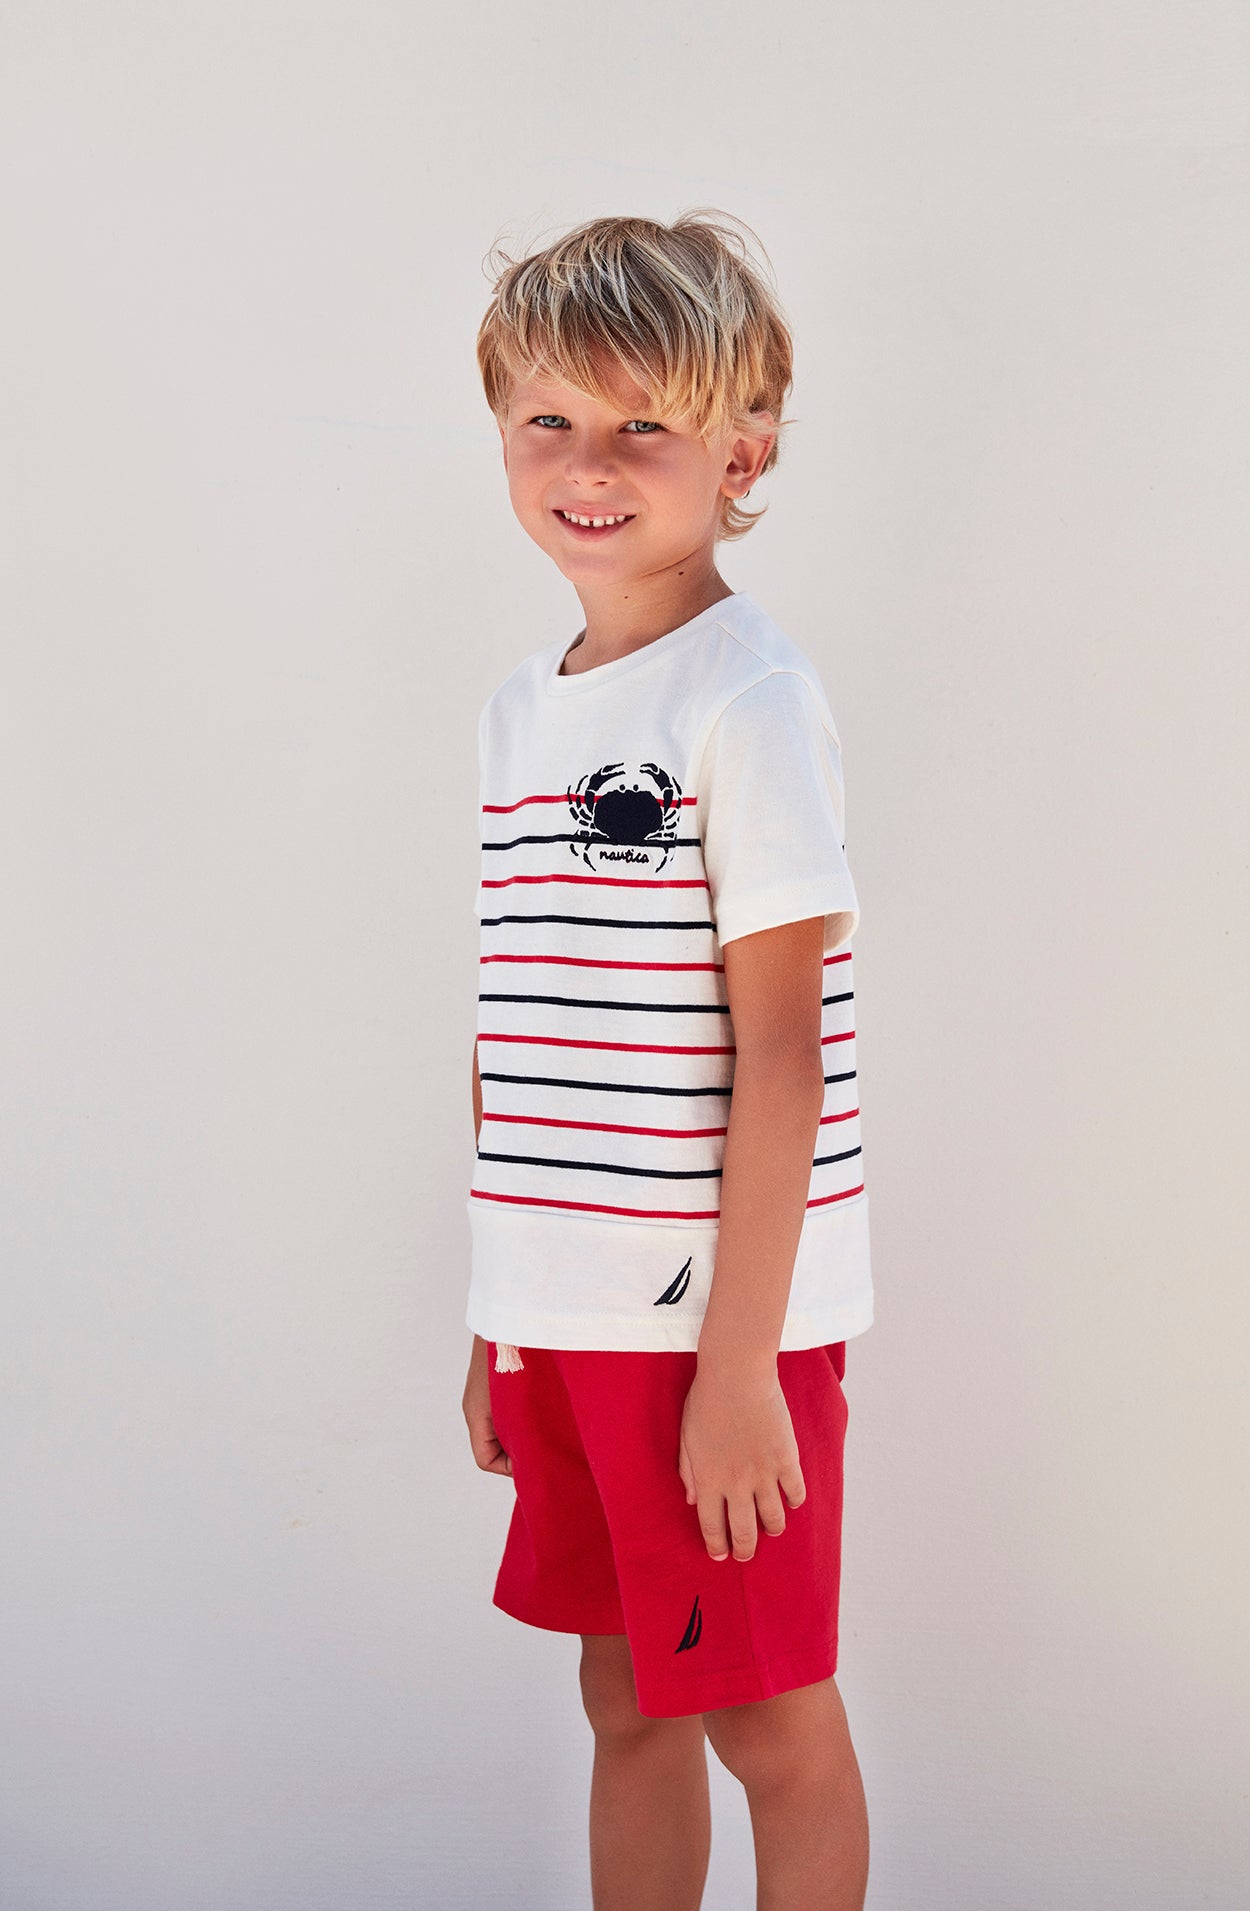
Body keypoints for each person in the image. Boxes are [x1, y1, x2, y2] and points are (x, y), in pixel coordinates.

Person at [460, 210, 872, 1911]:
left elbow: (782, 1061)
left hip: (706, 1328)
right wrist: (499, 1316)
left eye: (644, 424)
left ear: (741, 447)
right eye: (549, 419)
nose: (589, 463)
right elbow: (521, 1024)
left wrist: (736, 1369)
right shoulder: (523, 707)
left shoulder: (747, 698)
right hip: (564, 1314)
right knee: (623, 1696)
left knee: (765, 1718)